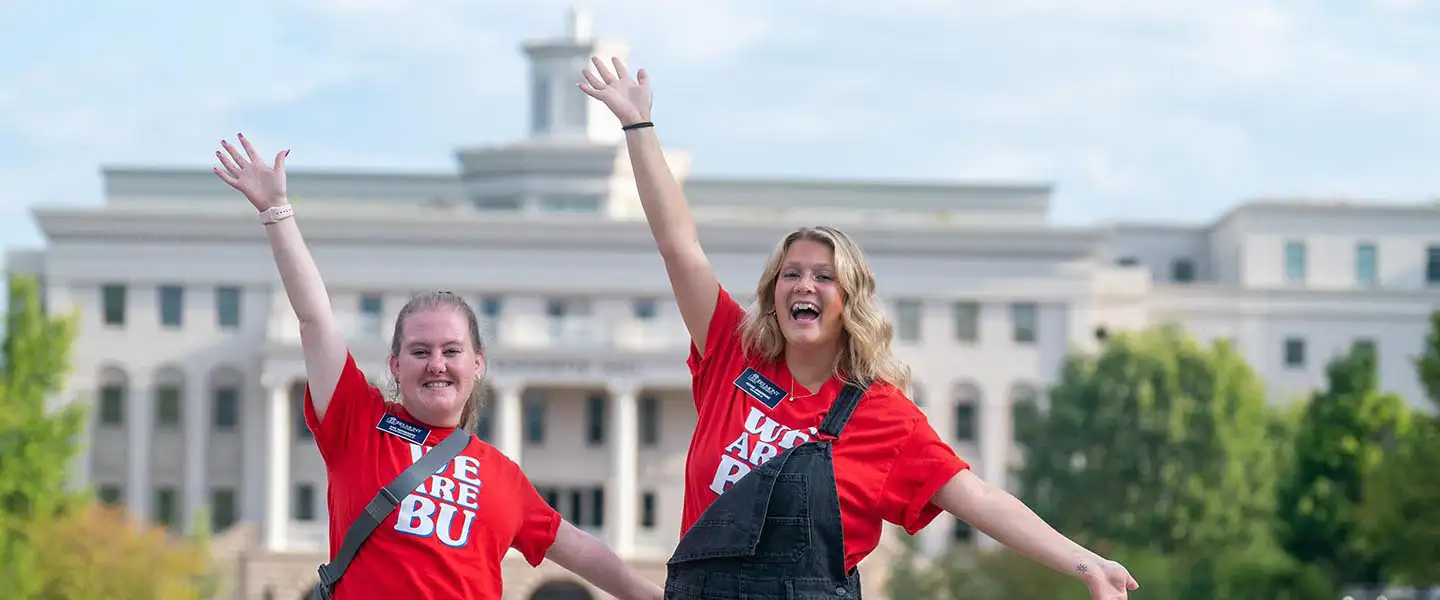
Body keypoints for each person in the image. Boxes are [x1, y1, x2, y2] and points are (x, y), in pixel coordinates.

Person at [578, 57, 1142, 600]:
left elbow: (979, 498)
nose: (804, 285)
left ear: (850, 302)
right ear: (773, 292)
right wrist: (639, 125)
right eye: (791, 273)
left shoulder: (881, 415)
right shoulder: (733, 352)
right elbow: (681, 246)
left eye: (824, 277)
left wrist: (1086, 562)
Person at [211, 133, 664, 600]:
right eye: (420, 351)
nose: (437, 365)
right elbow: (315, 320)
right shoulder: (359, 425)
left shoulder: (501, 475)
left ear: (478, 364)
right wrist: (276, 211)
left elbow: (586, 554)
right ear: (396, 364)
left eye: (452, 351)